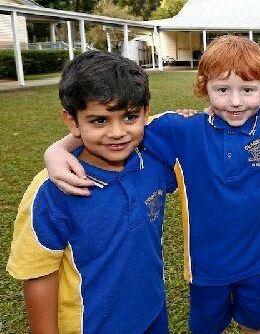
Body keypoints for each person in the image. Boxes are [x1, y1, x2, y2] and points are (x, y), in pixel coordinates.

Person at [43, 35, 260, 334]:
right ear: (204, 87)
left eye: (248, 90)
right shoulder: (179, 130)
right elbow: (126, 125)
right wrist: (58, 149)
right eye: (222, 90)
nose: (235, 101)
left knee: (258, 324)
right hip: (206, 266)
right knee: (209, 327)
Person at [6, 51, 175, 333]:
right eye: (99, 121)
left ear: (145, 112)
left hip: (152, 313)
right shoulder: (52, 189)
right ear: (72, 121)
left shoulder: (155, 163)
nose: (117, 132)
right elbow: (38, 275)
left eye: (130, 116)